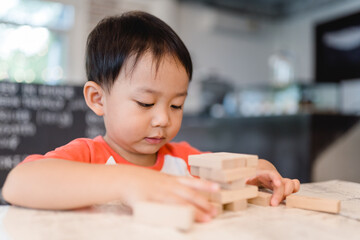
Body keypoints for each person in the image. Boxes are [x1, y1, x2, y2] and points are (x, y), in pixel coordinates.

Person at [2, 11, 300, 223]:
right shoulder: (89, 156)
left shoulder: (183, 160)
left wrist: (260, 171)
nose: (163, 119)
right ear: (97, 99)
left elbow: (227, 173)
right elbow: (17, 184)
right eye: (145, 103)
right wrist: (126, 181)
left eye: (176, 105)